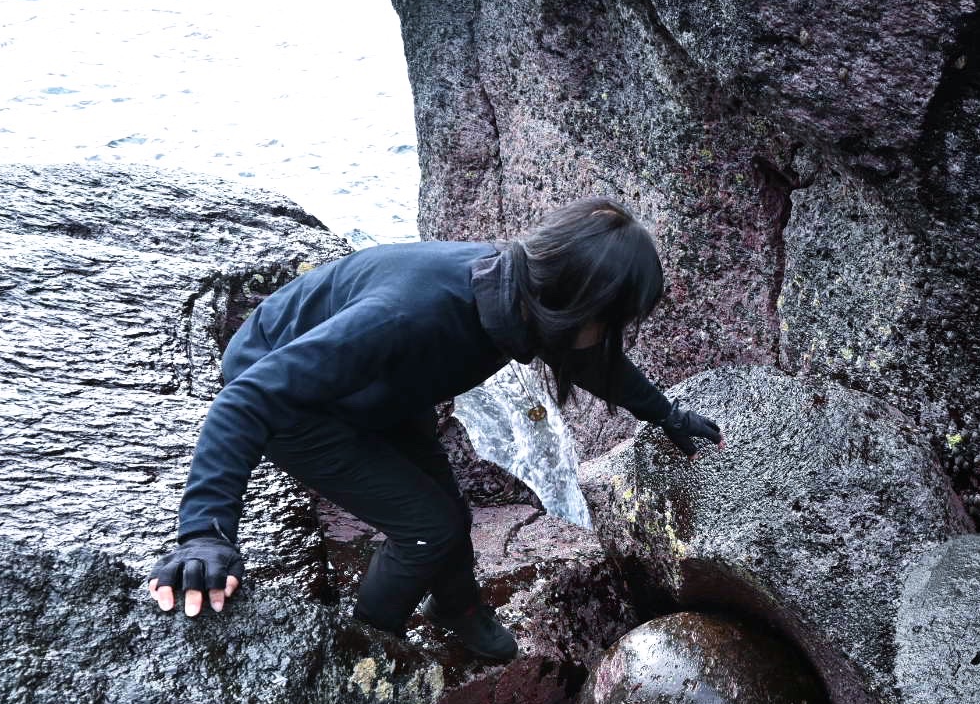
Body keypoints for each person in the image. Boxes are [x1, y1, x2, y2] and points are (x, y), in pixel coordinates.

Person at [146, 198, 722, 661]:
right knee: (428, 526)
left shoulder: (518, 295)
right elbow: (246, 399)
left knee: (448, 513)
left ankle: (456, 608)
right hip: (296, 398)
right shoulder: (410, 316)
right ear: (577, 308)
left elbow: (593, 360)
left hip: (383, 389)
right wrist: (205, 532)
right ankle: (365, 651)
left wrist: (664, 415)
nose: (611, 334)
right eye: (614, 320)